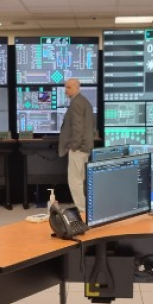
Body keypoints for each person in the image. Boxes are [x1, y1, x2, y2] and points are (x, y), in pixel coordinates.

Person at [58, 78, 95, 213]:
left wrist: (74, 146)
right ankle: (86, 209)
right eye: (65, 87)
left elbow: (78, 128)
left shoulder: (77, 103)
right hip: (85, 148)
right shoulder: (84, 102)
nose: (65, 90)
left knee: (75, 181)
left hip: (78, 149)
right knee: (81, 180)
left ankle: (82, 210)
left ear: (76, 88)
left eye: (68, 87)